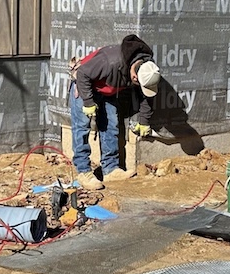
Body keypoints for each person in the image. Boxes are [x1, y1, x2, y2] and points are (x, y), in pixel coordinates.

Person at [69, 34, 162, 190]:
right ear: (134, 77)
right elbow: (83, 73)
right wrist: (88, 103)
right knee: (82, 128)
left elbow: (146, 96)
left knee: (111, 125)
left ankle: (110, 169)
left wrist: (144, 121)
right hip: (84, 84)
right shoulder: (111, 62)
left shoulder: (147, 69)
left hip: (107, 88)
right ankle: (83, 171)